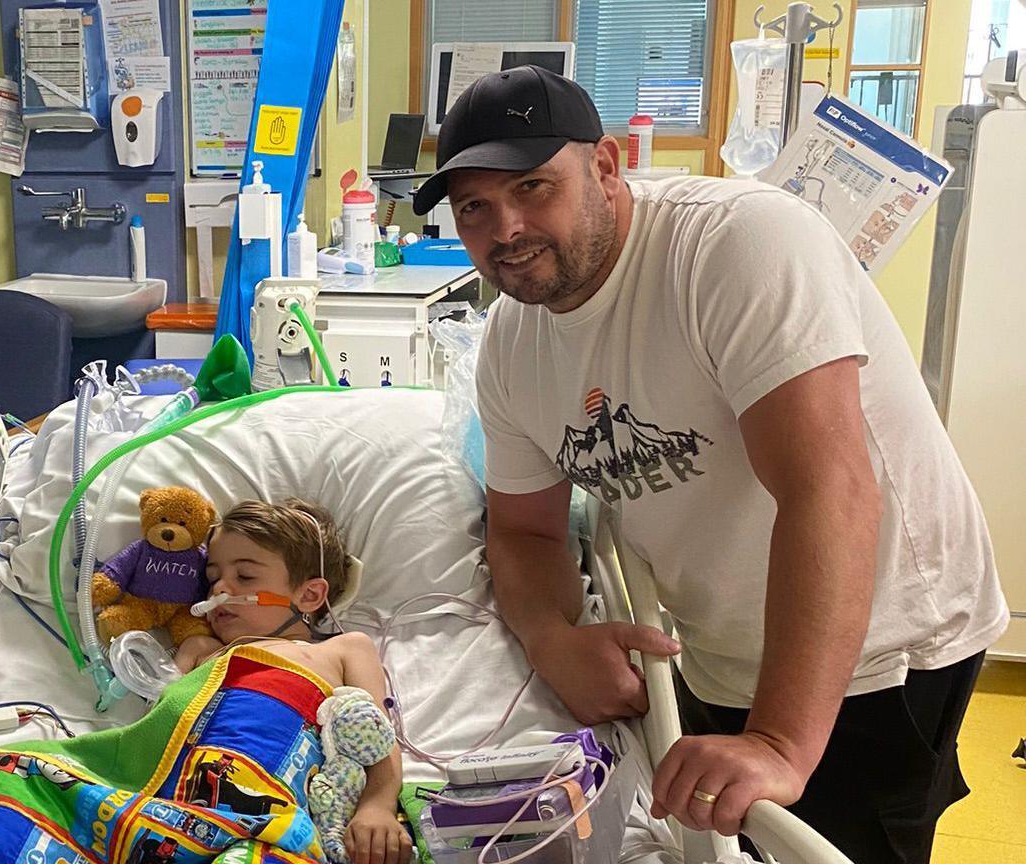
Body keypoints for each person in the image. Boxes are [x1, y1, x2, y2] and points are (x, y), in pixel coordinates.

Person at [410, 66, 1007, 863]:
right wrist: (554, 637)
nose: (506, 228)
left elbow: (827, 488)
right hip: (718, 647)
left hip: (881, 643)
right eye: (475, 208)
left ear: (606, 166)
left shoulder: (736, 246)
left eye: (532, 187)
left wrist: (781, 741)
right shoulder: (514, 347)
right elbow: (523, 530)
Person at [175, 499, 413, 864]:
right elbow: (159, 729)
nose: (219, 589)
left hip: (277, 818)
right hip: (182, 810)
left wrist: (377, 808)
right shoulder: (200, 650)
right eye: (211, 578)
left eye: (245, 577)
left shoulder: (342, 650)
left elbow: (379, 740)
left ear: (310, 595)